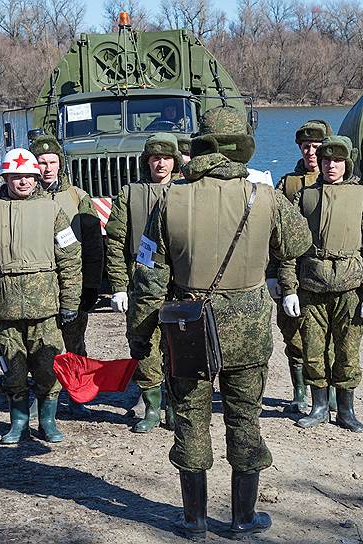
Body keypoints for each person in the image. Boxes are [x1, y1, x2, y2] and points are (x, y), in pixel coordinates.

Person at [128, 106, 312, 538]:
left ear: (200, 146)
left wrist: (141, 339)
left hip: (188, 328)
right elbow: (299, 241)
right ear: (242, 148)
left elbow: (147, 275)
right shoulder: (263, 196)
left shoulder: (169, 197)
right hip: (247, 330)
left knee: (191, 418)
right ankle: (242, 519)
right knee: (244, 419)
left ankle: (193, 521)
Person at [0, 148, 82, 444]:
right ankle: (18, 422)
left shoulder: (54, 211)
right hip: (4, 307)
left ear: (36, 177)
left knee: (48, 365)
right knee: (12, 369)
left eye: (28, 176)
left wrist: (70, 301)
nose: (23, 182)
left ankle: (48, 421)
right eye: (16, 177)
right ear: (6, 178)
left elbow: (70, 258)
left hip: (45, 308)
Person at [278, 135, 363, 433]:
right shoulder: (304, 196)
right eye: (326, 160)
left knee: (347, 351)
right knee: (313, 350)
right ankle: (319, 406)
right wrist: (288, 288)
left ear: (346, 164)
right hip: (312, 287)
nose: (330, 166)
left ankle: (346, 409)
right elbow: (290, 247)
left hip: (350, 288)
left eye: (337, 161)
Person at [104, 134, 183, 433]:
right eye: (154, 157)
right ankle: (151, 406)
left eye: (166, 157)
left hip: (177, 282)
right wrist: (119, 286)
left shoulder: (185, 192)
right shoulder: (129, 193)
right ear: (146, 161)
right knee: (143, 343)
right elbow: (115, 242)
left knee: (177, 346)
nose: (160, 162)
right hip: (139, 279)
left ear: (175, 161)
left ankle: (174, 407)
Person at [29, 136, 104, 415]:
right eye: (41, 162)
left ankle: (77, 395)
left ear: (60, 164)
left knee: (74, 343)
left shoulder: (78, 197)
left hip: (73, 283)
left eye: (52, 162)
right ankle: (43, 400)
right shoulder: (22, 199)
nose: (47, 168)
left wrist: (92, 287)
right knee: (40, 345)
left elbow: (95, 245)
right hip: (38, 287)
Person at [268, 120, 333, 413]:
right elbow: (273, 232)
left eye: (316, 147)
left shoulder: (339, 182)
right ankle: (299, 391)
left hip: (324, 272)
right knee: (293, 332)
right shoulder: (287, 183)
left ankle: (328, 390)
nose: (310, 152)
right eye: (306, 146)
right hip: (293, 269)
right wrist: (272, 275)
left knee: (328, 336)